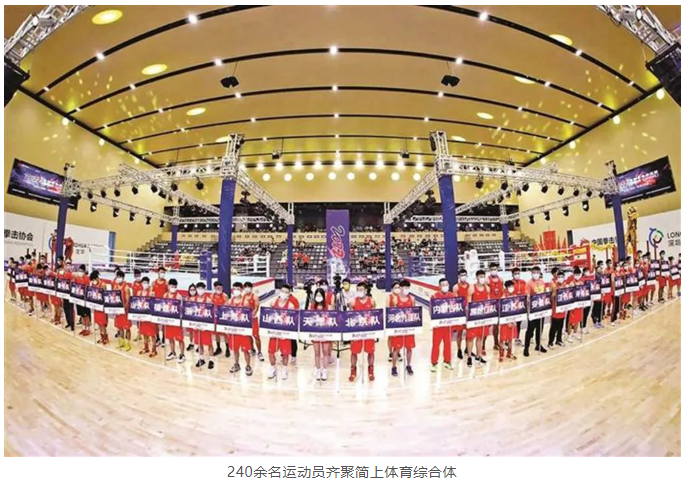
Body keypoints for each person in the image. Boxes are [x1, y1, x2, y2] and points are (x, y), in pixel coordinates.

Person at [268, 283, 299, 380]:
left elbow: (294, 320)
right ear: (279, 291)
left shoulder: (290, 306)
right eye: (282, 291)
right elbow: (268, 316)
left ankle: (285, 369)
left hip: (285, 333)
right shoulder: (273, 302)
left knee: (285, 353)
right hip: (274, 332)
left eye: (286, 292)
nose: (284, 293)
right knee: (271, 352)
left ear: (289, 294)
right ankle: (273, 367)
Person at [349, 282, 377, 382]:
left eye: (361, 290)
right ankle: (353, 370)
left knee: (370, 351)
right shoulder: (352, 302)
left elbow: (375, 315)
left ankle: (371, 370)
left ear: (366, 290)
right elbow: (349, 317)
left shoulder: (372, 301)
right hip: (356, 331)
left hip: (368, 330)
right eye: (358, 290)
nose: (359, 292)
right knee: (354, 352)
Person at [389, 280, 415, 377]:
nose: (406, 289)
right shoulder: (395, 299)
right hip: (398, 327)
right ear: (400, 288)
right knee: (396, 348)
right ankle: (394, 367)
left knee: (409, 348)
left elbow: (414, 312)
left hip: (409, 327)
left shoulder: (412, 299)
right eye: (404, 287)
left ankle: (408, 365)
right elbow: (392, 313)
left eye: (408, 288)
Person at [227, 282, 252, 376]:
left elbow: (248, 317)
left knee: (245, 350)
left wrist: (247, 330)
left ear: (241, 290)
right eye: (234, 289)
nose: (236, 291)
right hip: (233, 330)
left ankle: (248, 366)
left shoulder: (245, 302)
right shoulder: (230, 301)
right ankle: (236, 364)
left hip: (242, 330)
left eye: (238, 289)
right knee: (235, 349)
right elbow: (226, 314)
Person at [430, 278, 454, 372]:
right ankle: (434, 363)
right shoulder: (434, 296)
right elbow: (431, 311)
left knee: (448, 344)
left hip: (448, 325)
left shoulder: (452, 296)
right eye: (443, 285)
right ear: (439, 286)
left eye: (446, 285)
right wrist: (434, 322)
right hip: (438, 325)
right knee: (436, 344)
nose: (445, 286)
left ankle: (447, 361)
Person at [466, 271, 490, 367]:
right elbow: (468, 304)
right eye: (480, 276)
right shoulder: (472, 288)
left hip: (483, 316)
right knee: (470, 338)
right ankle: (469, 357)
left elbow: (489, 302)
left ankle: (478, 355)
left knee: (480, 337)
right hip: (474, 316)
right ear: (477, 277)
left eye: (483, 276)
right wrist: (469, 317)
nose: (482, 278)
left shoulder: (487, 288)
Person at [524, 266, 548, 357]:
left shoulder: (542, 282)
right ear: (531, 273)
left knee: (540, 328)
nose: (536, 274)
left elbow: (545, 293)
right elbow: (527, 296)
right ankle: (526, 348)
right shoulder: (528, 283)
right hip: (533, 310)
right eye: (534, 272)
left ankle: (538, 345)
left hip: (541, 309)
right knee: (530, 330)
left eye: (537, 272)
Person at [160, 279, 185, 363]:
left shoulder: (179, 296)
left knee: (180, 339)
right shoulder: (165, 295)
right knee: (170, 338)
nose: (173, 288)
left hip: (176, 321)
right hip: (168, 321)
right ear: (168, 286)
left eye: (175, 286)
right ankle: (173, 352)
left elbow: (181, 309)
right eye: (172, 286)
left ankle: (182, 354)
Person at [309, 288, 331, 381]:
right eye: (317, 295)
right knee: (317, 352)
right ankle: (318, 370)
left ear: (323, 296)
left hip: (325, 333)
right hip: (315, 333)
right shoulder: (312, 306)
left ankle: (325, 370)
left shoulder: (328, 307)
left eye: (320, 295)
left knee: (325, 352)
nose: (318, 297)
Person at [193, 282, 216, 369]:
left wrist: (207, 325)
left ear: (204, 289)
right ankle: (201, 358)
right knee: (199, 343)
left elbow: (212, 313)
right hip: (196, 324)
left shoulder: (208, 300)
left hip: (205, 325)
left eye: (202, 288)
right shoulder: (193, 299)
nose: (200, 290)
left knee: (209, 343)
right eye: (198, 288)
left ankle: (211, 360)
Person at [452, 269, 470, 360]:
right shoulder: (456, 287)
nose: (464, 276)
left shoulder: (470, 286)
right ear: (459, 276)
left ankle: (467, 348)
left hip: (468, 311)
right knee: (459, 332)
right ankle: (459, 349)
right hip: (460, 312)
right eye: (462, 275)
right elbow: (456, 301)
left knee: (469, 332)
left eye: (465, 275)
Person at [112, 270, 132, 351]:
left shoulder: (126, 288)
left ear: (123, 278)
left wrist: (123, 309)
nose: (118, 278)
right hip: (118, 310)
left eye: (120, 277)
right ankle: (122, 342)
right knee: (119, 327)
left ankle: (128, 344)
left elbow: (127, 301)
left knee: (127, 328)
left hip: (125, 311)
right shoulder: (115, 286)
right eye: (117, 277)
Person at [243, 281, 264, 361]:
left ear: (251, 288)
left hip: (253, 318)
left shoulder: (255, 296)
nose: (247, 288)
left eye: (248, 287)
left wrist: (252, 315)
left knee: (256, 336)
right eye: (245, 287)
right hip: (245, 319)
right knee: (248, 335)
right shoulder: (243, 296)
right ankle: (252, 349)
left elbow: (256, 307)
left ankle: (260, 352)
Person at [486, 262, 504, 353]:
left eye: (495, 269)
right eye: (492, 269)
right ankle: (482, 346)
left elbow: (502, 291)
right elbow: (485, 292)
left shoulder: (501, 279)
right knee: (487, 326)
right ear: (490, 270)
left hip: (499, 304)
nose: (494, 270)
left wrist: (502, 300)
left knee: (497, 326)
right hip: (491, 305)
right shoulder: (487, 280)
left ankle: (496, 343)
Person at [499, 280, 518, 362]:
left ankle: (509, 353)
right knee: (502, 339)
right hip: (505, 321)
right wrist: (507, 322)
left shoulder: (515, 297)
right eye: (510, 287)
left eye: (512, 286)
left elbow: (517, 310)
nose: (511, 288)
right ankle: (501, 355)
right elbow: (502, 312)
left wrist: (515, 321)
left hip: (513, 320)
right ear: (506, 288)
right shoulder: (503, 298)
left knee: (511, 338)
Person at [548, 269, 567, 347]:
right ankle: (550, 342)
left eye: (562, 277)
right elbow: (550, 297)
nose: (560, 278)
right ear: (557, 277)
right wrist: (554, 293)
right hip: (555, 310)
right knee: (553, 327)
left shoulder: (565, 285)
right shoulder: (553, 285)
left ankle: (559, 340)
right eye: (559, 277)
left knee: (560, 326)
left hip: (562, 309)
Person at [90, 270, 109, 345]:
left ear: (97, 278)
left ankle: (105, 338)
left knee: (102, 324)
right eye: (92, 280)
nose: (93, 281)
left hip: (102, 307)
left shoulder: (103, 285)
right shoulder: (93, 284)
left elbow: (105, 296)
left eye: (93, 280)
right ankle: (102, 337)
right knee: (98, 323)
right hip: (96, 307)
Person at [566, 267, 584, 342]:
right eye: (576, 274)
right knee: (571, 321)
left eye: (578, 274)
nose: (577, 276)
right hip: (573, 305)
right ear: (573, 275)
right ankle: (569, 335)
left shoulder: (581, 283)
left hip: (579, 304)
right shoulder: (571, 283)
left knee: (577, 319)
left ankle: (575, 333)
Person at [152, 266, 168, 348]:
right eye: (161, 272)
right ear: (158, 273)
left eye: (163, 272)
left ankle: (164, 339)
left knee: (164, 323)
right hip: (156, 305)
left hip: (164, 305)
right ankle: (158, 338)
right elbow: (151, 293)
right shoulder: (153, 283)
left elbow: (168, 294)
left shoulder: (166, 283)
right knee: (156, 323)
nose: (162, 274)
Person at [511, 267, 527, 345]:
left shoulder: (523, 282)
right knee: (511, 323)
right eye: (515, 274)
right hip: (513, 306)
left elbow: (525, 292)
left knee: (518, 323)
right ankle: (508, 339)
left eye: (518, 273)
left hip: (521, 305)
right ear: (512, 275)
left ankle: (517, 338)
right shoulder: (510, 283)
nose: (517, 275)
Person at [387, 280, 402, 362]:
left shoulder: (402, 297)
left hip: (400, 319)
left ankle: (398, 351)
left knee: (399, 336)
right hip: (392, 319)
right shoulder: (389, 297)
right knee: (391, 337)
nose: (397, 289)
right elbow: (387, 308)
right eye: (395, 287)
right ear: (392, 289)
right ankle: (390, 352)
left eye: (398, 287)